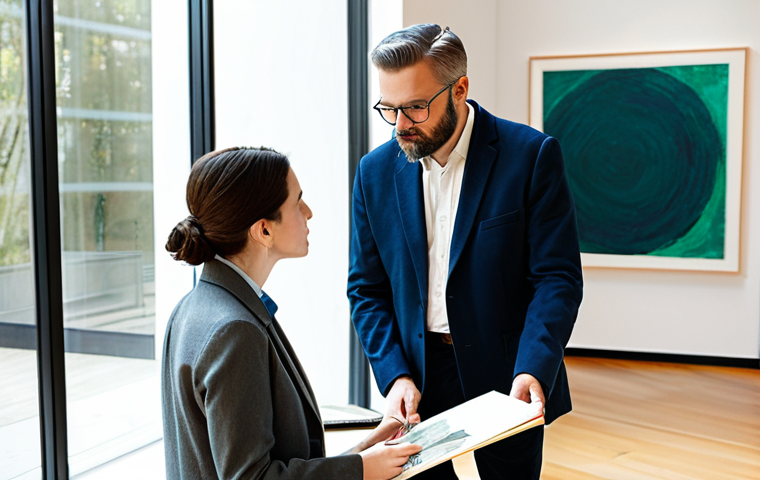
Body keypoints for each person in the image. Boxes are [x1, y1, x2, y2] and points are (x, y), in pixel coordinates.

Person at [347, 25, 583, 479]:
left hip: (508, 374)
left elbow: (557, 278)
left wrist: (533, 367)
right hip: (416, 373)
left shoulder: (531, 156)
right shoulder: (372, 172)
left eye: (415, 107)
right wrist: (393, 373)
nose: (400, 124)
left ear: (460, 89)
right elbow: (366, 288)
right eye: (389, 108)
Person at [162, 146, 421, 479]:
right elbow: (253, 476)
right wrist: (362, 470)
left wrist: (370, 446)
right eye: (298, 201)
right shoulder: (233, 329)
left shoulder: (194, 309)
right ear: (264, 230)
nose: (308, 212)